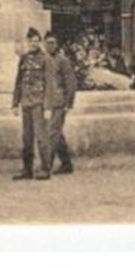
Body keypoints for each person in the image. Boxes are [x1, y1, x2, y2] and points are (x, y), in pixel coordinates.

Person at [10, 28, 52, 180]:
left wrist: (47, 106)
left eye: (36, 41)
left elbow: (49, 83)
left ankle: (45, 169)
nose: (34, 44)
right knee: (26, 138)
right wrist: (15, 103)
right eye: (31, 41)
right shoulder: (24, 58)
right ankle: (27, 169)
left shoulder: (45, 59)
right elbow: (19, 82)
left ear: (39, 42)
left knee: (41, 137)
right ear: (27, 42)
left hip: (39, 103)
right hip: (26, 103)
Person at [42, 32, 77, 175]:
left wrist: (69, 102)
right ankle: (66, 163)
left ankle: (45, 167)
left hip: (59, 101)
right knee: (56, 133)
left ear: (57, 45)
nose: (50, 46)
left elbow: (70, 83)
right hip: (46, 102)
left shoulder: (63, 61)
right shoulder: (42, 60)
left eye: (53, 43)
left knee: (51, 133)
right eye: (47, 43)